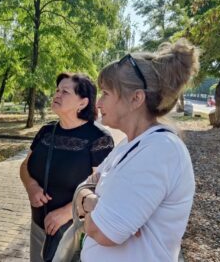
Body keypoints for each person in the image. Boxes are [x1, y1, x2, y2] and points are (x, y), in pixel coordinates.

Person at [77, 38, 199, 262]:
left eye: (105, 93)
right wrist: (92, 203)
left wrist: (87, 208)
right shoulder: (129, 145)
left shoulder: (160, 151)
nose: (98, 104)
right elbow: (83, 187)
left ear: (136, 98)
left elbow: (103, 232)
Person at [20, 72, 114, 261]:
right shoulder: (46, 131)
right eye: (57, 90)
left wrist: (65, 213)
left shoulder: (99, 139)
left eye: (65, 92)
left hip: (73, 229)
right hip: (39, 225)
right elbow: (24, 166)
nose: (57, 94)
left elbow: (103, 191)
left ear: (83, 103)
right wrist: (31, 187)